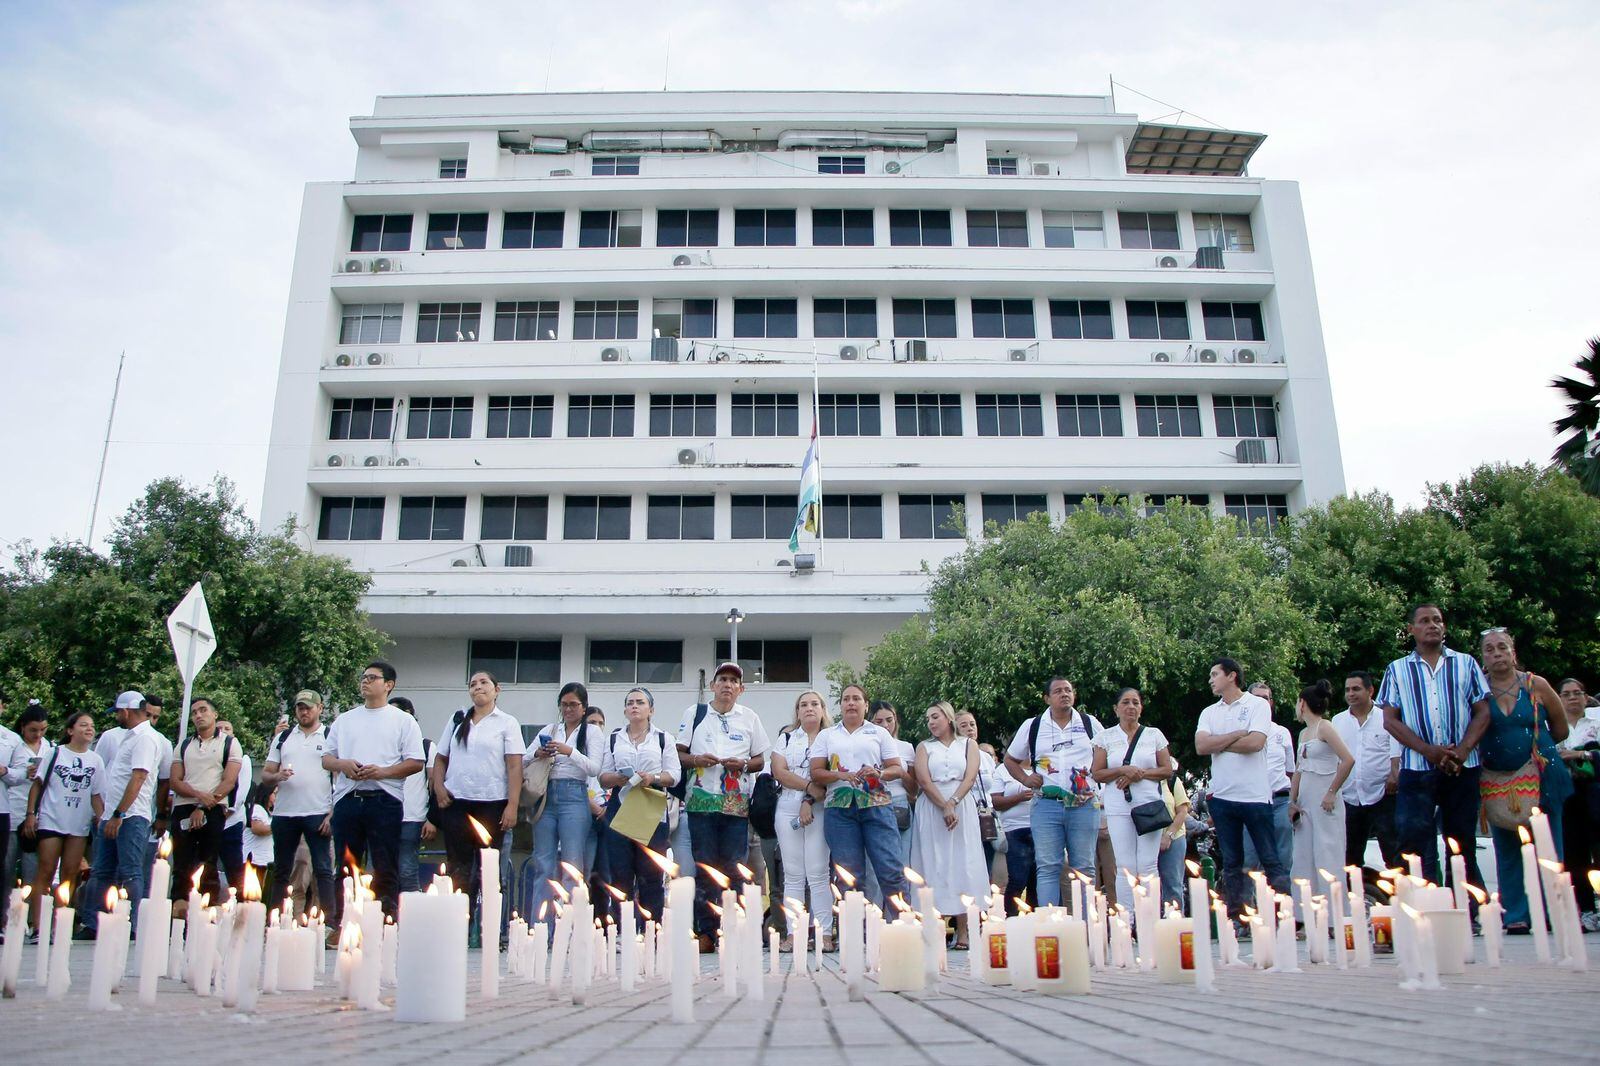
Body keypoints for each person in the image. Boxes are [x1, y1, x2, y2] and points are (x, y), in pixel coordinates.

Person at [1376, 604, 1491, 891]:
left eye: (1437, 620)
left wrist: (1463, 750)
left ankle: (1468, 909)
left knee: (1462, 840)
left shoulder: (1466, 663)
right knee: (1411, 839)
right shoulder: (1397, 669)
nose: (1432, 625)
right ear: (1411, 630)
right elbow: (1390, 720)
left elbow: (1483, 711)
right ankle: (1415, 904)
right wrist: (1429, 751)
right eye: (1424, 621)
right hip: (1417, 768)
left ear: (1445, 627)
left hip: (1462, 766)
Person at [1478, 628, 1570, 934]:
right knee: (1506, 846)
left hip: (1541, 775)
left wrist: (1535, 749)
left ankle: (1554, 911)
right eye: (1489, 650)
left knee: (1548, 845)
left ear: (1513, 652)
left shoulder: (1535, 684)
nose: (1497, 654)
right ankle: (1515, 914)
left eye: (1502, 648)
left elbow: (1561, 729)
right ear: (1483, 657)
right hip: (1498, 779)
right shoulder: (1479, 689)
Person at [677, 663, 770, 950]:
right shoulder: (695, 714)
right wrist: (697, 760)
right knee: (704, 865)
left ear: (741, 689)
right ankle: (706, 931)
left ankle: (734, 929)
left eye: (733, 681)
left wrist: (741, 764)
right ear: (712, 686)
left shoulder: (750, 717)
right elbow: (678, 753)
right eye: (722, 680)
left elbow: (759, 761)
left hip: (735, 805)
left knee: (734, 866)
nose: (727, 685)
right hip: (701, 802)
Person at [323, 660, 425, 918]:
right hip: (348, 797)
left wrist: (382, 772)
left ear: (388, 685)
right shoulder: (345, 719)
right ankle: (344, 921)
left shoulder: (403, 721)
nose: (365, 681)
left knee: (385, 864)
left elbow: (415, 762)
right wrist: (344, 764)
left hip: (385, 799)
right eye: (364, 677)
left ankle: (385, 918)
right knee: (346, 864)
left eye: (372, 677)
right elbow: (326, 758)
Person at [1195, 657, 1289, 920]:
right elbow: (1201, 746)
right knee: (1233, 863)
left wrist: (1219, 742)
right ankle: (1237, 919)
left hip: (1255, 796)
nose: (1211, 680)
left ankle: (1285, 913)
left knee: (1270, 858)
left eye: (1215, 674)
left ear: (1232, 676)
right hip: (1223, 797)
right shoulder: (1209, 712)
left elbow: (1256, 743)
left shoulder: (1257, 704)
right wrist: (1237, 734)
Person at [432, 671, 523, 927]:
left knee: (490, 871)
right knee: (458, 868)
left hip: (492, 804)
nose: (478, 688)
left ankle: (491, 930)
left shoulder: (507, 722)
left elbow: (515, 766)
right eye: (473, 684)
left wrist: (512, 805)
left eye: (484, 683)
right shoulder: (458, 719)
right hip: (457, 803)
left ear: (497, 689)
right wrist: (439, 787)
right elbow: (441, 758)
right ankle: (457, 926)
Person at [1002, 677, 1102, 908]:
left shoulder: (1089, 723)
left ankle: (1088, 927)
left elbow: (1105, 753)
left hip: (1084, 804)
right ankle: (1051, 927)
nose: (1064, 694)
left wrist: (1096, 776)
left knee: (1084, 866)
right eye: (1058, 691)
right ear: (1047, 698)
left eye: (1068, 690)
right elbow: (1010, 759)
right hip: (1047, 804)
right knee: (1047, 866)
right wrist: (1026, 779)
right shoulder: (1033, 725)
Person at [811, 683, 907, 917]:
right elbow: (815, 773)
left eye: (856, 699)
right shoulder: (827, 735)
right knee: (848, 874)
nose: (851, 703)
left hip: (877, 806)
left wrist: (880, 773)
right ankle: (853, 933)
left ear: (866, 705)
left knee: (890, 869)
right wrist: (840, 775)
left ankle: (901, 926)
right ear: (841, 705)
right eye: (846, 699)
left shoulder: (879, 733)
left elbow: (898, 768)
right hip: (840, 811)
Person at [598, 687, 680, 930]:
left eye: (640, 702)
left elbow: (674, 775)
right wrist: (619, 778)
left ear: (650, 710)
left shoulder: (663, 738)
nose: (635, 706)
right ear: (625, 710)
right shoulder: (614, 738)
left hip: (650, 805)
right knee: (620, 871)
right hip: (621, 805)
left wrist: (652, 777)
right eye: (630, 702)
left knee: (651, 872)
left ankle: (652, 928)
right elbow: (602, 776)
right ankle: (621, 930)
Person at [79, 691, 160, 938]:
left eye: (117, 712)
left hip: (130, 815)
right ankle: (94, 924)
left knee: (130, 871)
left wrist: (119, 813)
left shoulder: (145, 738)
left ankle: (130, 926)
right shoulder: (131, 736)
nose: (117, 717)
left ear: (126, 711)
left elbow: (139, 776)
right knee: (102, 870)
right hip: (113, 814)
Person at [909, 701, 989, 947]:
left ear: (948, 717)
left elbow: (971, 775)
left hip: (961, 804)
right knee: (935, 863)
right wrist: (943, 805)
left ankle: (964, 929)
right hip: (932, 807)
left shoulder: (968, 745)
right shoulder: (924, 747)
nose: (931, 722)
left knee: (963, 863)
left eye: (935, 716)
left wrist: (952, 802)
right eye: (928, 719)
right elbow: (923, 779)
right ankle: (935, 927)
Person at [528, 682, 606, 924]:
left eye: (574, 705)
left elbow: (595, 768)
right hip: (547, 794)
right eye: (564, 705)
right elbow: (522, 758)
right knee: (543, 863)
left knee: (573, 865)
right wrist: (538, 754)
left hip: (574, 794)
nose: (569, 709)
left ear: (584, 707)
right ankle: (540, 926)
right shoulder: (552, 729)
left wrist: (568, 751)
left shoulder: (592, 732)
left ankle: (572, 928)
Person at [23, 710, 104, 940]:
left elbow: (96, 795)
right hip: (52, 817)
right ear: (70, 730)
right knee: (46, 870)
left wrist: (101, 818)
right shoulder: (55, 753)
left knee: (70, 873)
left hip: (78, 823)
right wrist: (31, 814)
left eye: (91, 725)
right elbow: (37, 785)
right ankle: (39, 926)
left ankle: (61, 924)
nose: (89, 729)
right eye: (83, 725)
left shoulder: (95, 760)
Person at [261, 691, 335, 915]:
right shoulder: (283, 738)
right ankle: (275, 916)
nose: (304, 711)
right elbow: (266, 774)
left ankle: (328, 920)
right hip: (285, 812)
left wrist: (333, 812)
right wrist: (277, 776)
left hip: (318, 810)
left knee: (323, 868)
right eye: (300, 707)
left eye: (309, 707)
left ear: (320, 708)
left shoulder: (330, 736)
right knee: (282, 868)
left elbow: (340, 778)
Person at [1091, 688, 1173, 889]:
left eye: (1135, 703)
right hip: (1119, 807)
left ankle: (1150, 915)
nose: (1131, 707)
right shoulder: (1106, 737)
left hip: (1148, 805)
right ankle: (1127, 915)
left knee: (1147, 864)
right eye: (1125, 702)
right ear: (1116, 709)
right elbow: (1097, 773)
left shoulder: (1154, 735)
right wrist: (1122, 770)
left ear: (1141, 708)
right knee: (1125, 865)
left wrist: (1139, 773)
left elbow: (1166, 770)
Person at [770, 690, 831, 950]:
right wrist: (807, 787)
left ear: (823, 709)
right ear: (797, 711)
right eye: (803, 705)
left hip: (820, 806)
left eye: (814, 704)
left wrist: (811, 799)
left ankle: (824, 933)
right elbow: (779, 772)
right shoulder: (786, 738)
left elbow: (829, 772)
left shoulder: (831, 738)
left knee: (818, 872)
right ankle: (795, 933)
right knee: (793, 874)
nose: (809, 708)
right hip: (787, 806)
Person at [168, 697, 242, 910]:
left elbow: (229, 781)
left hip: (213, 806)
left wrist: (203, 806)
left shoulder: (229, 743)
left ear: (214, 714)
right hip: (185, 805)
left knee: (208, 862)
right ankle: (179, 913)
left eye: (203, 710)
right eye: (194, 712)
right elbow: (175, 780)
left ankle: (206, 913)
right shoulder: (184, 745)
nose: (199, 715)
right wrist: (198, 795)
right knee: (182, 864)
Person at [1289, 680, 1355, 916]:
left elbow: (1348, 760)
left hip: (1325, 798)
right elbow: (1298, 768)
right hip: (1306, 801)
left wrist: (1332, 791)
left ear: (1303, 703)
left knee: (1328, 855)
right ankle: (1306, 914)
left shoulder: (1325, 727)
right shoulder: (1303, 734)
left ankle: (1335, 915)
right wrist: (1292, 800)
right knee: (1304, 856)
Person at [1331, 671, 1402, 871]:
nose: (1351, 694)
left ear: (1370, 690)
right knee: (1350, 858)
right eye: (1347, 690)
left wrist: (1394, 774)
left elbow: (1396, 751)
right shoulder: (1338, 721)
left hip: (1383, 795)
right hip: (1350, 796)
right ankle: (1355, 899)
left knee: (1393, 854)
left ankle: (1401, 898)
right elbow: (1336, 758)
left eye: (1356, 689)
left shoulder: (1385, 718)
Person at [2, 702, 51, 938]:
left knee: (34, 872)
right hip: (13, 810)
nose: (38, 735)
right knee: (7, 868)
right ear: (23, 727)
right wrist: (17, 773)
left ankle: (32, 922)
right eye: (33, 730)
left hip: (37, 817)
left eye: (42, 730)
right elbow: (9, 775)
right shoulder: (13, 745)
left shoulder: (49, 748)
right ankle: (6, 921)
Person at [1557, 678, 1600, 930]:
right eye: (1566, 694)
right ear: (1559, 698)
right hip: (1569, 794)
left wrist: (1581, 754)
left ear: (1585, 697)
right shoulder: (1556, 726)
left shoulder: (1596, 721)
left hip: (1595, 792)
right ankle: (1586, 909)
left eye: (1577, 693)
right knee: (1575, 854)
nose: (1573, 698)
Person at [1241, 682, 1295, 878]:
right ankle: (1249, 907)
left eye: (1266, 698)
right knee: (1249, 861)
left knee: (1283, 859)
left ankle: (1282, 906)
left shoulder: (1282, 732)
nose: (1262, 702)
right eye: (1257, 698)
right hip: (1251, 802)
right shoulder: (1240, 732)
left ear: (1271, 702)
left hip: (1280, 801)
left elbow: (1291, 772)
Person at [389, 696, 434, 898]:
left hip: (412, 816)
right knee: (378, 869)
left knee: (407, 869)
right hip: (382, 814)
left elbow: (434, 783)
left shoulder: (425, 746)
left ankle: (409, 918)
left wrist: (431, 818)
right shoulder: (381, 744)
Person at [869, 701, 917, 861]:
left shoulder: (905, 747)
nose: (885, 725)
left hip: (899, 802)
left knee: (901, 859)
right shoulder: (865, 745)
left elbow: (914, 789)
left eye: (889, 720)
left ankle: (902, 887)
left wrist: (900, 772)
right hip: (873, 800)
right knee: (873, 859)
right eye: (879, 721)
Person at [990, 745, 1034, 915]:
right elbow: (996, 801)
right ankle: (1011, 919)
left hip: (1040, 827)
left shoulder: (1043, 766)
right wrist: (1020, 797)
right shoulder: (1003, 770)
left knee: (1037, 879)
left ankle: (1037, 922)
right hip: (1014, 830)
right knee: (1017, 879)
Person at [955, 710, 1000, 874]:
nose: (970, 729)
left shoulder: (986, 757)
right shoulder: (955, 755)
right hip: (965, 814)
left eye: (972, 724)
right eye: (963, 725)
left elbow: (994, 785)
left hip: (986, 815)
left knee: (988, 862)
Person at [216, 720, 252, 897]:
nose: (222, 731)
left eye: (227, 728)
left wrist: (227, 809)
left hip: (231, 821)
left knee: (234, 869)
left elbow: (241, 791)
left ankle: (241, 906)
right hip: (211, 820)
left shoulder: (242, 759)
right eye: (219, 728)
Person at [1156, 759, 1192, 912]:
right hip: (1146, 838)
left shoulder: (1171, 780)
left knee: (1172, 883)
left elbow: (1183, 811)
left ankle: (1175, 922)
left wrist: (1168, 835)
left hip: (1173, 837)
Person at [242, 783, 276, 886]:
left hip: (266, 861)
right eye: (275, 793)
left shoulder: (269, 813)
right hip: (255, 861)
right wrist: (279, 826)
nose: (277, 797)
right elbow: (257, 829)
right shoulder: (258, 809)